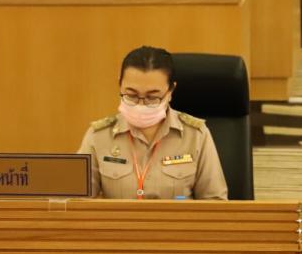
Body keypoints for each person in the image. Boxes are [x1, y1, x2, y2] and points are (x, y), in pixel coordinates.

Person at [78, 45, 227, 200]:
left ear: (170, 91)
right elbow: (75, 202)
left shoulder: (196, 135)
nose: (141, 105)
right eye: (131, 95)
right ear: (120, 85)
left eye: (152, 97)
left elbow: (215, 202)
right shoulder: (98, 136)